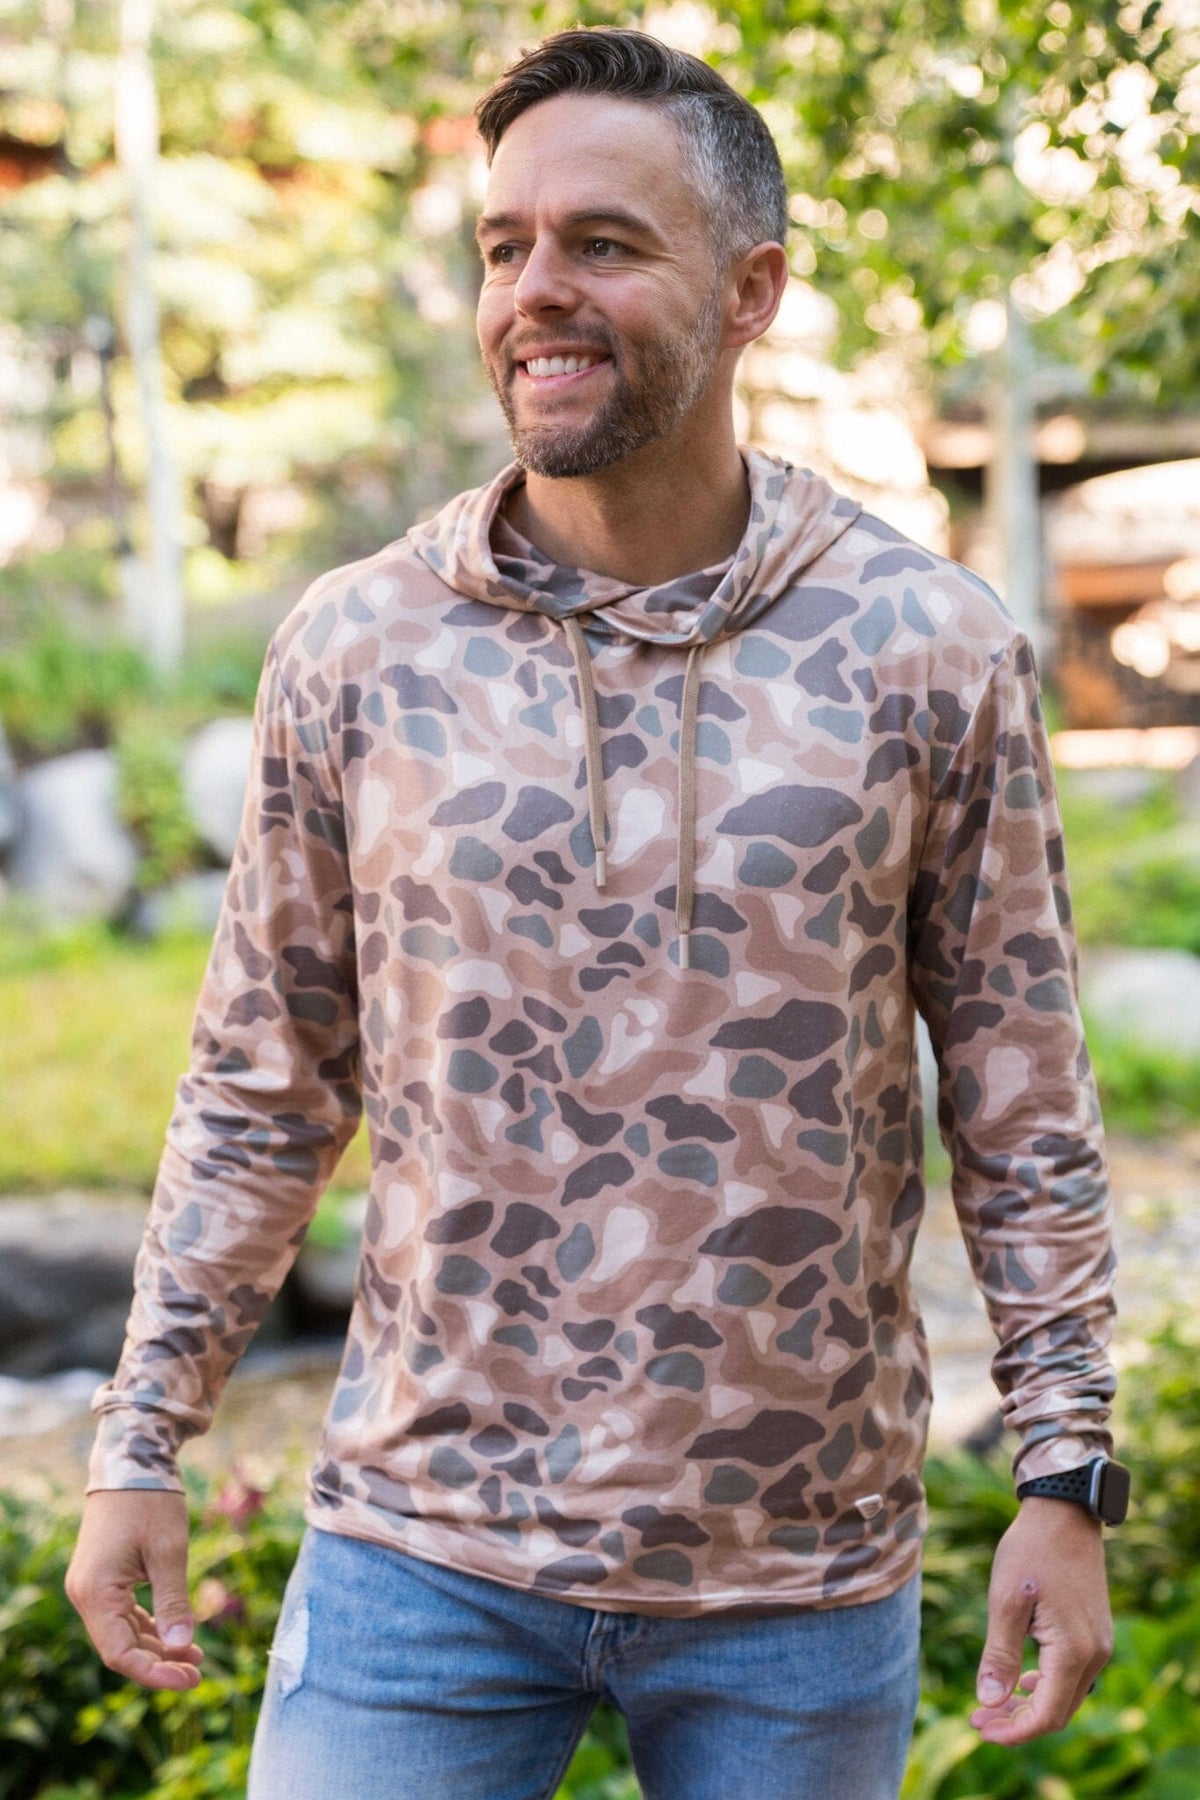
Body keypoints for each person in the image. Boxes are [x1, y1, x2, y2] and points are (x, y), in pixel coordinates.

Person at [66, 26, 1122, 1800]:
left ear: (752, 290)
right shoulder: (357, 646)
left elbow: (1024, 1107)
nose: (534, 292)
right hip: (420, 1554)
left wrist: (1064, 1474)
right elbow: (264, 1081)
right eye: (506, 246)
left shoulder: (928, 649)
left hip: (798, 1583)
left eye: (603, 244)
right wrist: (139, 1436)